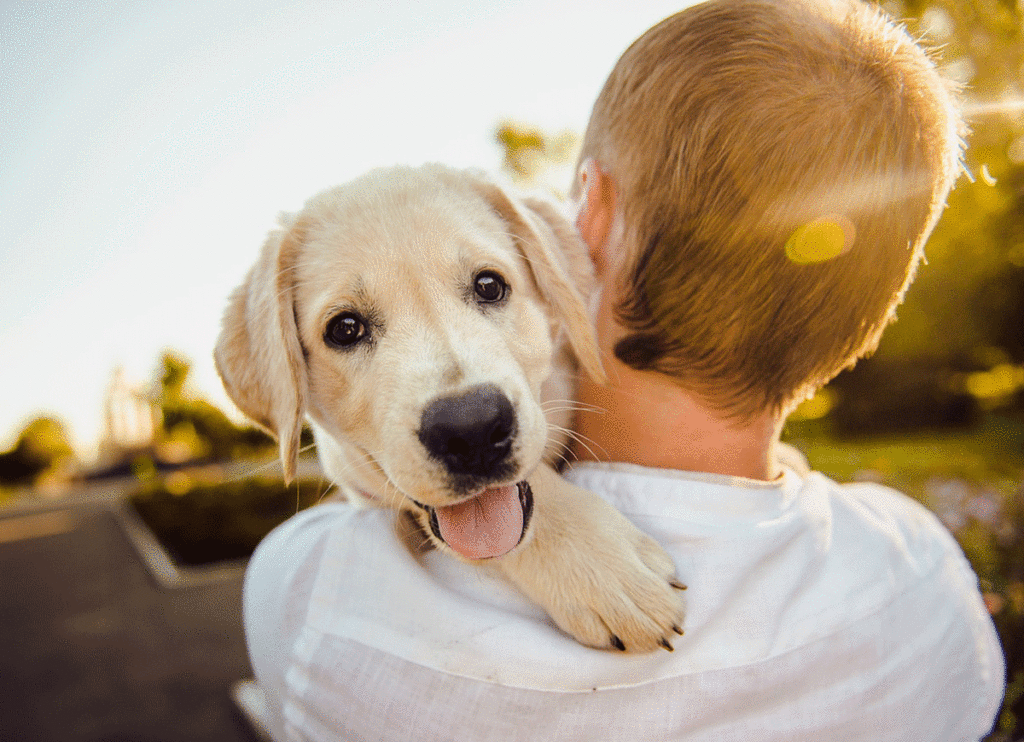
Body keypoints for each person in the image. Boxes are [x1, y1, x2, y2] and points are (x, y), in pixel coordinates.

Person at [241, 1, 1005, 739]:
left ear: (586, 220)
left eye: (487, 287)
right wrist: (543, 521)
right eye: (349, 329)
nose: (460, 395)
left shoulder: (313, 599)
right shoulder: (925, 575)